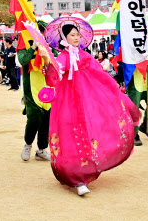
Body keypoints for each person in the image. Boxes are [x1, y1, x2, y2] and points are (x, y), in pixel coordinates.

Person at [39, 17, 140, 196]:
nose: (76, 38)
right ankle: (75, 177)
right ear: (64, 38)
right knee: (69, 136)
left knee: (88, 133)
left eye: (78, 35)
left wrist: (111, 90)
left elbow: (99, 73)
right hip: (67, 104)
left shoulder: (84, 55)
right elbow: (52, 78)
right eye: (72, 35)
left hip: (86, 102)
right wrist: (47, 61)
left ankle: (85, 172)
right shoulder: (61, 58)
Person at [17, 21, 52, 162]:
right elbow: (22, 60)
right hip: (31, 86)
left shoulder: (49, 46)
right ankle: (28, 144)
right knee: (34, 117)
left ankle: (42, 150)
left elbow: (54, 63)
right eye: (39, 31)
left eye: (43, 31)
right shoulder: (25, 43)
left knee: (46, 118)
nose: (42, 34)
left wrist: (45, 57)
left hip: (47, 86)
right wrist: (32, 48)